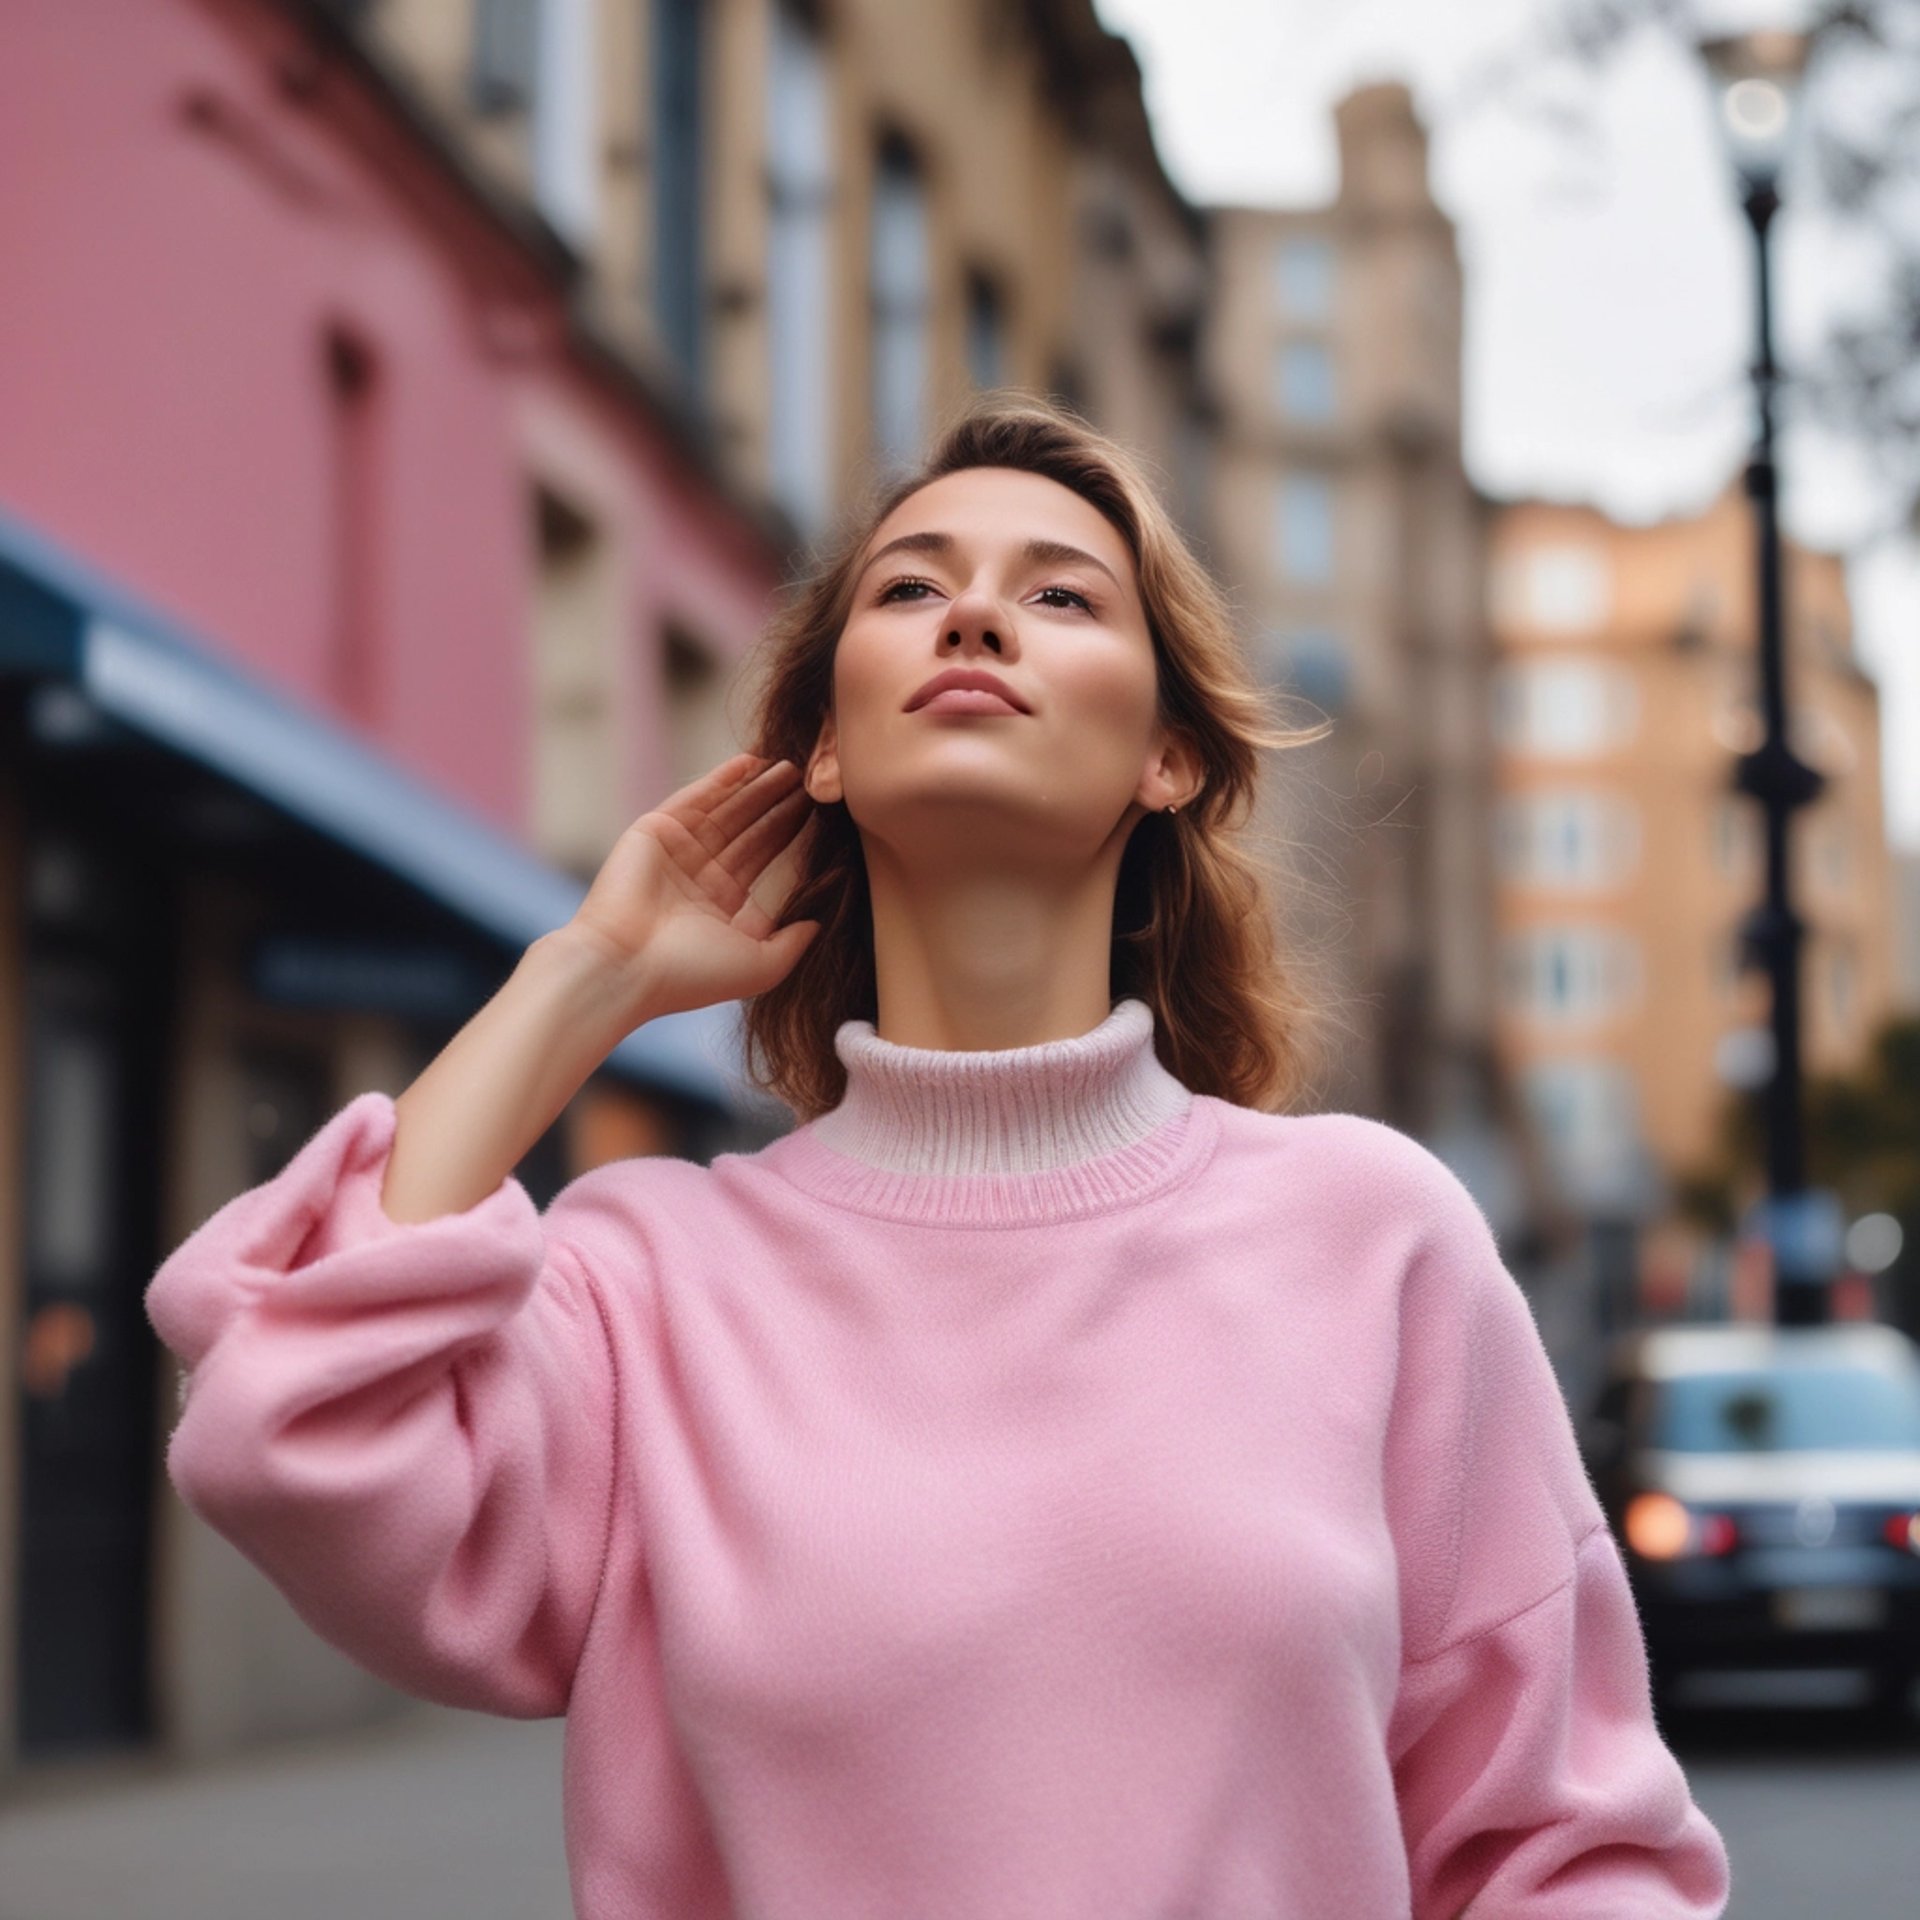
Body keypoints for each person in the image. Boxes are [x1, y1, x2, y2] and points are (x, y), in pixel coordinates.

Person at [145, 394, 1732, 1918]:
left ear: (1167, 756)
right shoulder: (651, 1279)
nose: (975, 620)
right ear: (823, 747)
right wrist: (586, 979)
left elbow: (1567, 1848)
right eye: (912, 589)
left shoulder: (1375, 1236)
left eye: (1060, 595)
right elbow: (283, 1424)